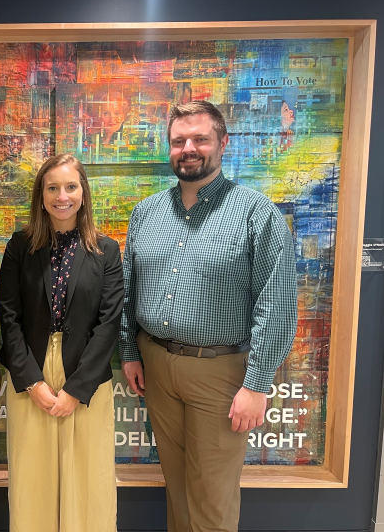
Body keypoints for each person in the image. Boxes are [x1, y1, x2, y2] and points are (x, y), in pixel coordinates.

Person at [120, 100, 297, 532]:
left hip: (221, 374)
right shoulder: (146, 213)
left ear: (223, 142)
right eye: (178, 141)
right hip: (156, 367)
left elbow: (276, 304)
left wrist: (256, 385)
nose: (189, 148)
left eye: (200, 138)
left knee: (212, 499)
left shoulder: (257, 214)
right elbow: (128, 291)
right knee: (177, 489)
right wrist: (129, 351)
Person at [0, 153, 124, 532]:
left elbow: (109, 323)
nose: (61, 196)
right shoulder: (19, 246)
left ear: (83, 193)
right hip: (30, 373)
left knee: (88, 480)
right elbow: (9, 317)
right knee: (32, 481)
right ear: (40, 195)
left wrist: (76, 389)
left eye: (71, 187)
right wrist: (32, 382)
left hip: (85, 376)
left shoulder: (106, 250)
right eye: (52, 188)